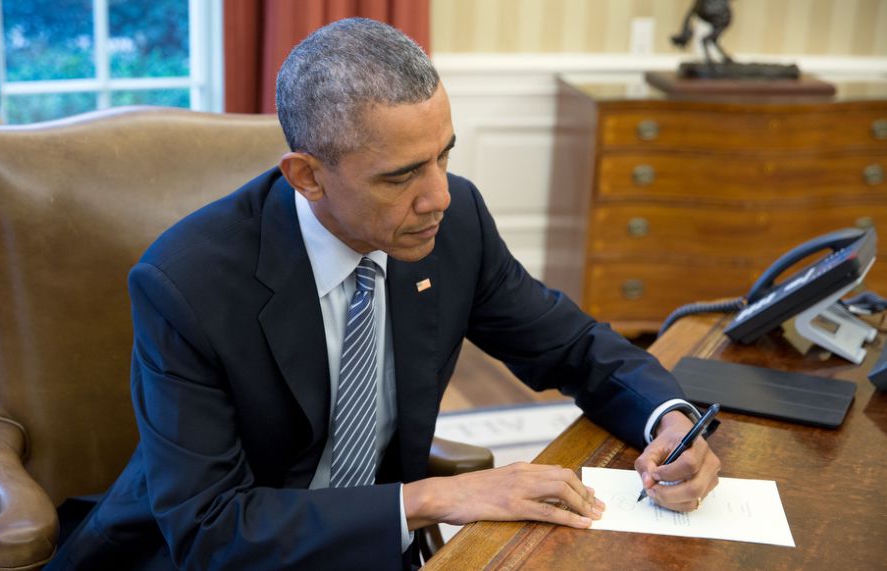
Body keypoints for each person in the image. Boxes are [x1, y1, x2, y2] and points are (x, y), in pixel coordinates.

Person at [50, 17, 721, 570]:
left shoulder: (455, 225)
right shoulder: (186, 284)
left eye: (444, 156)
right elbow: (209, 529)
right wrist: (431, 498)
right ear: (307, 176)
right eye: (402, 175)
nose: (439, 196)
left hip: (371, 549)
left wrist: (667, 419)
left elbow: (573, 346)